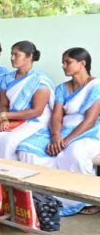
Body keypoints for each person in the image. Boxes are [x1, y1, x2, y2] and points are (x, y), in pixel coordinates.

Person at [17, 48, 100, 216]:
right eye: (63, 62)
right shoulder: (62, 88)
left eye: (67, 62)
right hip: (62, 130)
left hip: (89, 131)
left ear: (82, 64)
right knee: (27, 148)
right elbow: (56, 116)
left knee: (74, 153)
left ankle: (85, 200)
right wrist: (56, 136)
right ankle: (46, 199)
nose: (63, 66)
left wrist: (66, 140)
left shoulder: (96, 86)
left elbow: (90, 119)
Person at [0, 40, 54, 160]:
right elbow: (4, 104)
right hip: (10, 117)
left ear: (29, 56)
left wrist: (6, 116)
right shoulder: (8, 78)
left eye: (17, 55)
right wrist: (4, 120)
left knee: (9, 140)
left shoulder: (40, 80)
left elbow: (36, 111)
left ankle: (6, 175)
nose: (12, 58)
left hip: (33, 120)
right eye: (12, 54)